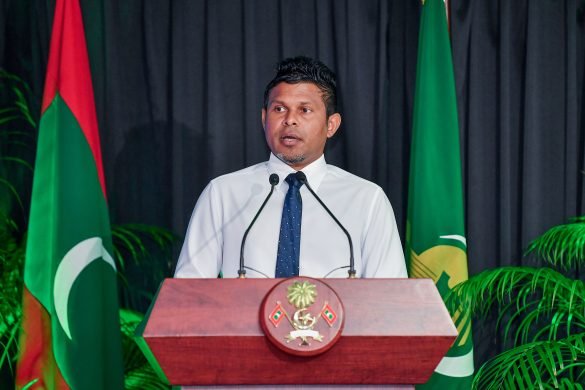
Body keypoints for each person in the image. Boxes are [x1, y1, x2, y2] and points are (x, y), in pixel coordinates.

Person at [174, 56, 407, 279]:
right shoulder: (223, 194)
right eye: (279, 109)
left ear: (331, 125)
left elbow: (390, 300)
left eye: (304, 110)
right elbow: (189, 291)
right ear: (264, 119)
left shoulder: (367, 200)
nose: (289, 120)